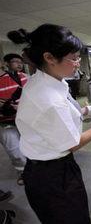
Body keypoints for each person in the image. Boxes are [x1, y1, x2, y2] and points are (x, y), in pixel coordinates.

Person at [7, 24, 91, 224]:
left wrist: (89, 109)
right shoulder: (48, 98)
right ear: (49, 58)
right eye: (74, 58)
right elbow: (73, 142)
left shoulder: (46, 80)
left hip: (46, 168)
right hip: (51, 175)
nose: (78, 63)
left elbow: (57, 118)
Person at [0, 54, 27, 185]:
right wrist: (5, 106)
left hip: (24, 120)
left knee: (30, 145)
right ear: (5, 63)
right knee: (15, 150)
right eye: (15, 61)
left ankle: (35, 171)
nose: (19, 64)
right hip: (5, 123)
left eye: (20, 62)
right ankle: (23, 173)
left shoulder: (24, 77)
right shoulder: (2, 79)